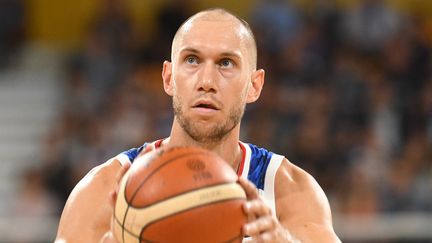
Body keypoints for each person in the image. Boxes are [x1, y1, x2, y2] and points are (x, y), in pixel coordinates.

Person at [55, 8, 340, 243]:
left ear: (254, 85)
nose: (207, 81)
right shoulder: (104, 189)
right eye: (192, 60)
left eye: (226, 63)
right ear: (168, 77)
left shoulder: (289, 190)